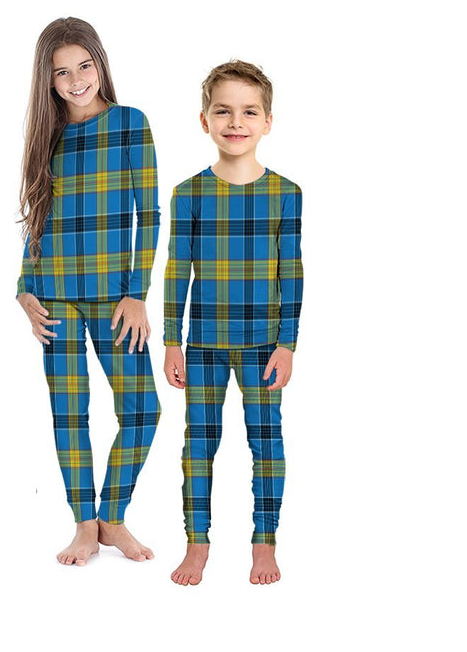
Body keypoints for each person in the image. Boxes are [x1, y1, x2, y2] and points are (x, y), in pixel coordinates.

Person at [17, 17, 161, 566]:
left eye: (84, 66)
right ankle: (84, 525)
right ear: (48, 80)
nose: (76, 80)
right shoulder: (46, 137)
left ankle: (112, 518)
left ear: (100, 63)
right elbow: (36, 218)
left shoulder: (129, 123)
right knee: (69, 413)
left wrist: (137, 292)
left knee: (143, 412)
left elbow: (149, 213)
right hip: (54, 295)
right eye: (62, 72)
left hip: (115, 298)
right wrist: (24, 288)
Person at [163, 60, 303, 585]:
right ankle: (196, 542)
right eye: (223, 111)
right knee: (198, 445)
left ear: (268, 121)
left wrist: (288, 343)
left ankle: (264, 542)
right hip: (203, 346)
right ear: (205, 120)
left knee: (266, 444)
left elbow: (292, 272)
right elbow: (177, 269)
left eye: (249, 112)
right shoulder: (189, 193)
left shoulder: (286, 193)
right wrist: (172, 342)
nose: (236, 122)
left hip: (264, 345)